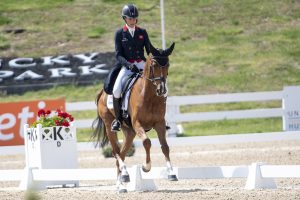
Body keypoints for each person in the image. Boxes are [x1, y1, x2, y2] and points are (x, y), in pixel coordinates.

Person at [111, 4, 151, 132]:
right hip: (127, 66)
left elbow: (149, 50)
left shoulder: (142, 32)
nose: (132, 21)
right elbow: (118, 55)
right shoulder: (119, 34)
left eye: (134, 19)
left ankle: (162, 116)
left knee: (158, 83)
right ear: (125, 18)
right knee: (116, 90)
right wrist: (129, 65)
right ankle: (118, 120)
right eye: (130, 18)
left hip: (141, 63)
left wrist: (157, 56)